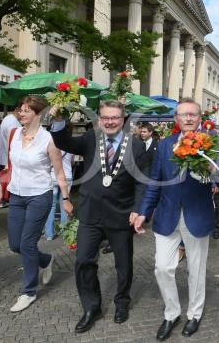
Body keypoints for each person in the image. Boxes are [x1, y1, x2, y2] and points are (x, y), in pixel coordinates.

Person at [132, 98, 219, 341]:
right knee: (162, 267)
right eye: (183, 114)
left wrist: (212, 171)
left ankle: (194, 314)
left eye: (193, 114)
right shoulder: (164, 145)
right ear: (176, 119)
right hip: (167, 215)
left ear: (200, 118)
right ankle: (172, 312)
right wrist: (144, 211)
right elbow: (155, 181)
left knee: (196, 270)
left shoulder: (211, 143)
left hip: (197, 214)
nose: (188, 118)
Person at [50, 100, 148, 333]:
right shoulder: (91, 139)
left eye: (115, 117)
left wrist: (138, 208)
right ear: (99, 119)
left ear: (123, 119)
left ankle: (122, 302)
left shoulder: (135, 145)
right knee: (83, 261)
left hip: (121, 215)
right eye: (105, 117)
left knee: (123, 265)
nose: (110, 121)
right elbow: (64, 142)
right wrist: (58, 119)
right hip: (90, 213)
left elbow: (142, 182)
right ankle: (91, 307)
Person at [0, 96, 73, 313]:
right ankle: (46, 259)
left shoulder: (49, 139)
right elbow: (9, 165)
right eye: (20, 110)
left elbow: (59, 172)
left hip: (40, 195)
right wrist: (1, 189)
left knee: (27, 244)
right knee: (15, 245)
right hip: (16, 195)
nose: (21, 114)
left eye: (26, 111)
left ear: (38, 114)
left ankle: (28, 292)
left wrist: (65, 199)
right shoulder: (13, 134)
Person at [44, 147, 74, 240]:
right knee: (64, 205)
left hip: (53, 177)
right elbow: (72, 162)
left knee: (51, 206)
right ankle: (65, 233)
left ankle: (49, 234)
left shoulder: (50, 146)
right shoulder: (70, 146)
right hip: (67, 177)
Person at [0, 102, 22, 167]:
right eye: (23, 111)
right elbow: (15, 143)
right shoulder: (12, 122)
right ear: (17, 109)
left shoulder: (9, 119)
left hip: (8, 159)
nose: (24, 114)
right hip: (11, 161)